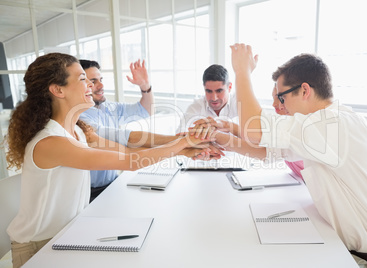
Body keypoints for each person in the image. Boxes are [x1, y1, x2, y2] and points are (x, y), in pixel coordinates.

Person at [5, 53, 219, 268]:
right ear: (58, 90)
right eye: (82, 78)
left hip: (68, 234)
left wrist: (183, 150)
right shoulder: (51, 141)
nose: (91, 84)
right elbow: (131, 162)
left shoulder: (79, 131)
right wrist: (184, 143)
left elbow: (125, 151)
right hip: (38, 246)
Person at [219, 43, 367, 267]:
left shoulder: (333, 124)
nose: (281, 106)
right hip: (347, 249)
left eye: (282, 98)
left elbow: (253, 129)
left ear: (305, 90)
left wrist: (242, 72)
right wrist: (222, 140)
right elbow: (267, 152)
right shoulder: (321, 126)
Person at [79, 59, 159, 201]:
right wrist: (177, 144)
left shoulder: (108, 107)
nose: (101, 85)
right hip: (88, 194)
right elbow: (117, 138)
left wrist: (145, 86)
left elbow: (145, 110)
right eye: (93, 81)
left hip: (112, 184)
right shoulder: (79, 117)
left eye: (100, 79)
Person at [176, 64, 238, 134]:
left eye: (219, 91)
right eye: (209, 91)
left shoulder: (239, 103)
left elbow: (251, 136)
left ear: (229, 87)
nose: (214, 98)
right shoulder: (196, 107)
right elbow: (179, 136)